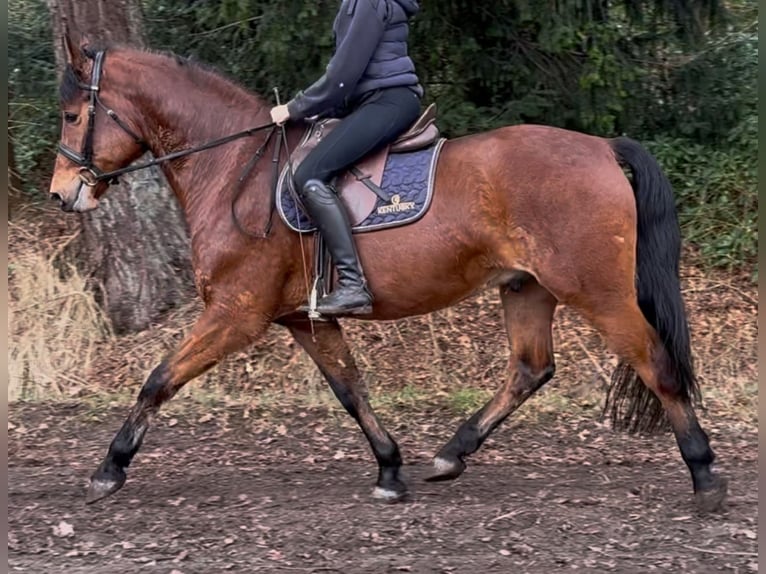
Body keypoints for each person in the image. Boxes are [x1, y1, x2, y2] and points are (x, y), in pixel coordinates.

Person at [270, 0, 423, 317]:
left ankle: (353, 286)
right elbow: (351, 83)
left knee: (309, 176)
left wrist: (294, 108)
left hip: (387, 102)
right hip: (377, 101)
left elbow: (342, 77)